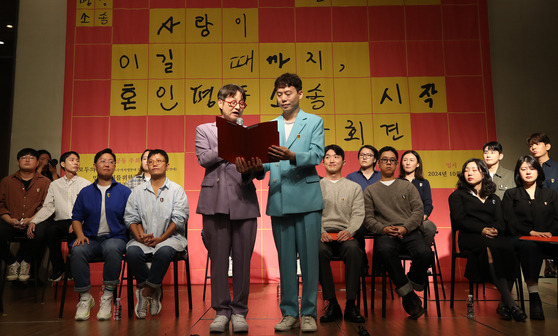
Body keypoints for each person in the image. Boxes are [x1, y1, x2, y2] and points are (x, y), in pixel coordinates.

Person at [242, 73, 324, 332]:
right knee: (285, 261)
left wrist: (292, 156)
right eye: (279, 94)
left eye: (288, 93)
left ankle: (309, 313)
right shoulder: (269, 126)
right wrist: (254, 167)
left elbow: (318, 154)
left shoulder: (314, 121)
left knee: (310, 260)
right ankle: (289, 312)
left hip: (307, 198)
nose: (283, 98)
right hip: (279, 198)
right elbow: (265, 164)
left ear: (299, 94)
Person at [195, 84, 260, 333]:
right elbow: (204, 159)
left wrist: (253, 167)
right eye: (231, 101)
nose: (236, 106)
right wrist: (230, 140)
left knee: (243, 261)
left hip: (244, 200)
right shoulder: (205, 130)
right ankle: (221, 312)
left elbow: (259, 172)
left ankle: (240, 311)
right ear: (220, 103)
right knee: (219, 261)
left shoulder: (250, 133)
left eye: (240, 102)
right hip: (214, 203)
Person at [448, 158, 527, 321]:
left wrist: (495, 229)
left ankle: (502, 304)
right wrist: (481, 230)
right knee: (489, 247)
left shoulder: (494, 198)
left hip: (492, 236)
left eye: (474, 170)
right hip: (470, 237)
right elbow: (459, 220)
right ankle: (512, 304)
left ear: (484, 173)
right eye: (466, 170)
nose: (469, 173)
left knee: (510, 247)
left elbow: (500, 220)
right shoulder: (457, 196)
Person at [363, 146, 430, 319]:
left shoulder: (407, 186)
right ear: (378, 163)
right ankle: (408, 296)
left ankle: (410, 281)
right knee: (384, 250)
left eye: (392, 160)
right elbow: (368, 218)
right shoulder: (370, 190)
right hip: (386, 233)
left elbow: (418, 210)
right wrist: (382, 229)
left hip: (408, 231)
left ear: (396, 164)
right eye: (384, 160)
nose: (388, 163)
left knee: (424, 253)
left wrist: (405, 227)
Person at [125, 149, 188, 319]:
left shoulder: (176, 190)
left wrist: (161, 238)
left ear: (167, 165)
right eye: (151, 161)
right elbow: (131, 217)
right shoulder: (137, 191)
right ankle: (154, 287)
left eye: (159, 161)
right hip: (142, 238)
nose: (154, 164)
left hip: (170, 238)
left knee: (164, 252)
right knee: (131, 252)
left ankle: (145, 292)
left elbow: (179, 218)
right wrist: (139, 236)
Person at [70, 148, 131, 321]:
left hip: (115, 238)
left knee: (113, 249)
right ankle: (84, 297)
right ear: (95, 165)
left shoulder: (124, 192)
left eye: (111, 161)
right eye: (103, 161)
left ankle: (107, 296)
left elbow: (132, 218)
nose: (107, 164)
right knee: (78, 250)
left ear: (115, 166)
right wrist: (80, 234)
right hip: (91, 238)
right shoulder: (86, 192)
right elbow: (76, 218)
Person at [502, 155, 558, 320]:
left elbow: (556, 219)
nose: (528, 172)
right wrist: (530, 232)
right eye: (523, 169)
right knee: (530, 247)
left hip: (548, 237)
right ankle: (534, 297)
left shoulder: (550, 194)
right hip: (520, 238)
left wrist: (549, 233)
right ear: (518, 173)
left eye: (532, 168)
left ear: (538, 171)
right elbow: (509, 221)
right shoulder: (510, 194)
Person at [318, 145, 365, 323]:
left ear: (344, 162)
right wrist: (320, 231)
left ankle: (351, 304)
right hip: (323, 235)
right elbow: (313, 213)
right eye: (328, 157)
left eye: (336, 157)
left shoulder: (354, 187)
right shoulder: (316, 186)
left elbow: (359, 213)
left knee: (354, 250)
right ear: (322, 162)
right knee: (318, 251)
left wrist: (349, 230)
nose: (332, 160)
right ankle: (332, 304)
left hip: (346, 234)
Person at [27, 151, 90, 282]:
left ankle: (72, 270)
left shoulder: (85, 184)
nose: (76, 163)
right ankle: (59, 269)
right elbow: (48, 206)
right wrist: (34, 221)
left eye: (77, 160)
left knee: (76, 233)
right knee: (50, 231)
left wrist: (78, 223)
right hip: (60, 221)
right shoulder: (55, 184)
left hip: (78, 220)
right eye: (72, 160)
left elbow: (88, 208)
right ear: (62, 164)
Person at [0, 148, 50, 282]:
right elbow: (1, 204)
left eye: (31, 157)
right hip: (11, 221)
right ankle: (12, 262)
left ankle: (25, 262)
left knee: (42, 231)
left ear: (37, 162)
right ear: (17, 162)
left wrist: (32, 219)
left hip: (34, 221)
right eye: (23, 157)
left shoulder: (45, 182)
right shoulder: (7, 181)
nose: (27, 160)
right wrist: (10, 220)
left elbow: (46, 206)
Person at [527, 132, 558, 277]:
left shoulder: (556, 168)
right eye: (531, 145)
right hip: (533, 216)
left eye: (537, 144)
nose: (533, 147)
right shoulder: (527, 169)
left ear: (548, 146)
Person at [398, 150, 437, 247]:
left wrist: (424, 216)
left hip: (420, 219)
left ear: (418, 164)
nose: (408, 163)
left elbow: (428, 203)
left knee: (429, 227)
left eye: (411, 160)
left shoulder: (424, 182)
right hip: (400, 219)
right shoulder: (396, 182)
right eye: (405, 160)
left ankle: (422, 256)